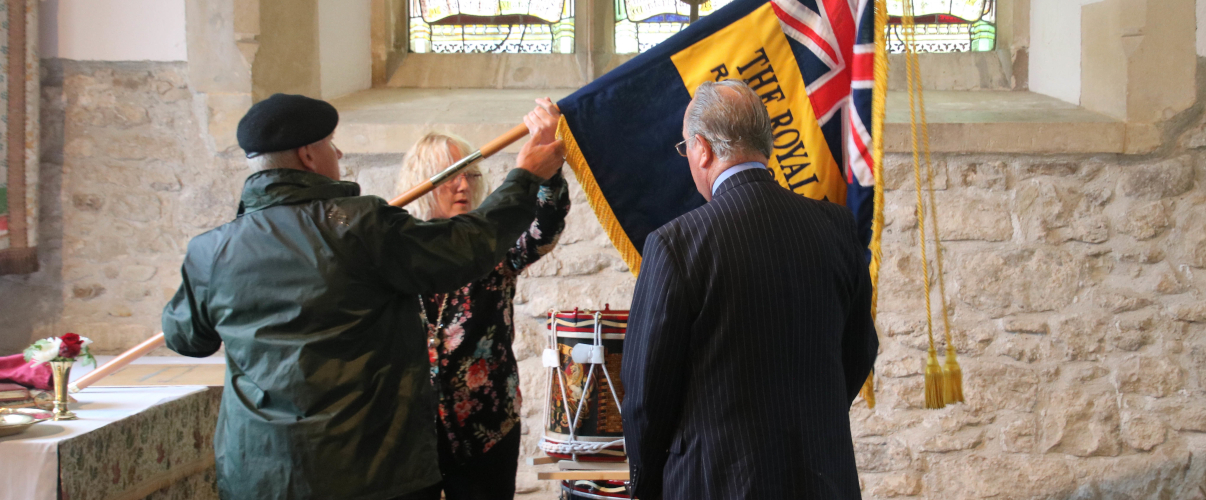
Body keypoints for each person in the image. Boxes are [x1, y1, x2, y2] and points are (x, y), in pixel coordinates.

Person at [161, 93, 566, 500]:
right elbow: (466, 248)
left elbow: (188, 338)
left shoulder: (210, 251)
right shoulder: (360, 226)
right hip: (368, 469)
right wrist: (524, 178)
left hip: (259, 472)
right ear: (307, 155)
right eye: (330, 144)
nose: (337, 152)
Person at [620, 80, 878, 500]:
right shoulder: (835, 227)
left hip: (713, 483)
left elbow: (646, 396)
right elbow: (859, 350)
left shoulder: (676, 244)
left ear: (701, 149)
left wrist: (645, 487)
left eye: (687, 149)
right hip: (823, 480)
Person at [394, 128, 569, 500]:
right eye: (448, 175)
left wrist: (545, 171)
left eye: (470, 175)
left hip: (486, 427)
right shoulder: (396, 249)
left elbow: (544, 227)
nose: (462, 185)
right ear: (422, 181)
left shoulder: (492, 244)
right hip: (410, 431)